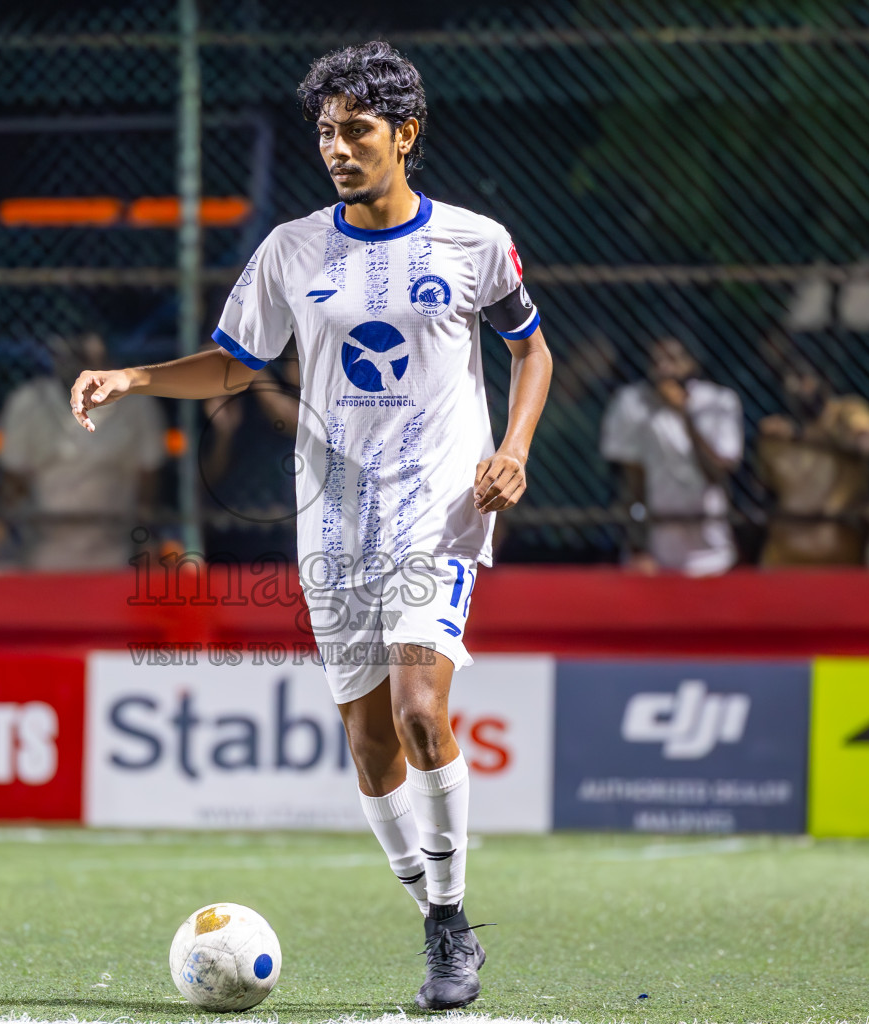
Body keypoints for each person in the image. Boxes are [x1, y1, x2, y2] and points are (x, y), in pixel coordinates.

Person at [65, 42, 552, 1010]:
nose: (337, 147)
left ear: (405, 134)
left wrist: (515, 449)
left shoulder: (475, 243)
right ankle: (432, 909)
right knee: (370, 746)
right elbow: (233, 364)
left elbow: (530, 351)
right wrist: (135, 378)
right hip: (332, 523)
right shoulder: (292, 250)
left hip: (438, 508)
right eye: (326, 131)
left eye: (357, 129)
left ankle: (449, 921)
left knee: (421, 711)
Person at [0, 333, 165, 570]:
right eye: (77, 358)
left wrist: (147, 539)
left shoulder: (137, 406)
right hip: (45, 552)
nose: (84, 369)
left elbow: (147, 486)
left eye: (94, 360)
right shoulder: (28, 402)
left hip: (114, 551)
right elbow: (12, 484)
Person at [600, 335, 742, 576]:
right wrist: (638, 546)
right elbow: (631, 483)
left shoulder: (718, 402)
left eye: (673, 360)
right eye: (657, 361)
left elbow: (717, 473)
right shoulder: (632, 403)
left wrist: (684, 414)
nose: (664, 369)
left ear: (691, 363)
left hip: (711, 547)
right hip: (659, 549)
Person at [758, 338, 869, 566]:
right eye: (788, 378)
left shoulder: (846, 413)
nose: (793, 386)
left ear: (824, 381)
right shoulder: (776, 435)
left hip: (840, 558)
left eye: (802, 378)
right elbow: (764, 493)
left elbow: (866, 444)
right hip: (784, 561)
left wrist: (801, 436)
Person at [200, 343, 300, 563]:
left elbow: (291, 421)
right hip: (226, 529)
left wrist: (251, 368)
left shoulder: (281, 378)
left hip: (280, 528)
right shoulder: (217, 395)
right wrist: (224, 435)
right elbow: (207, 477)